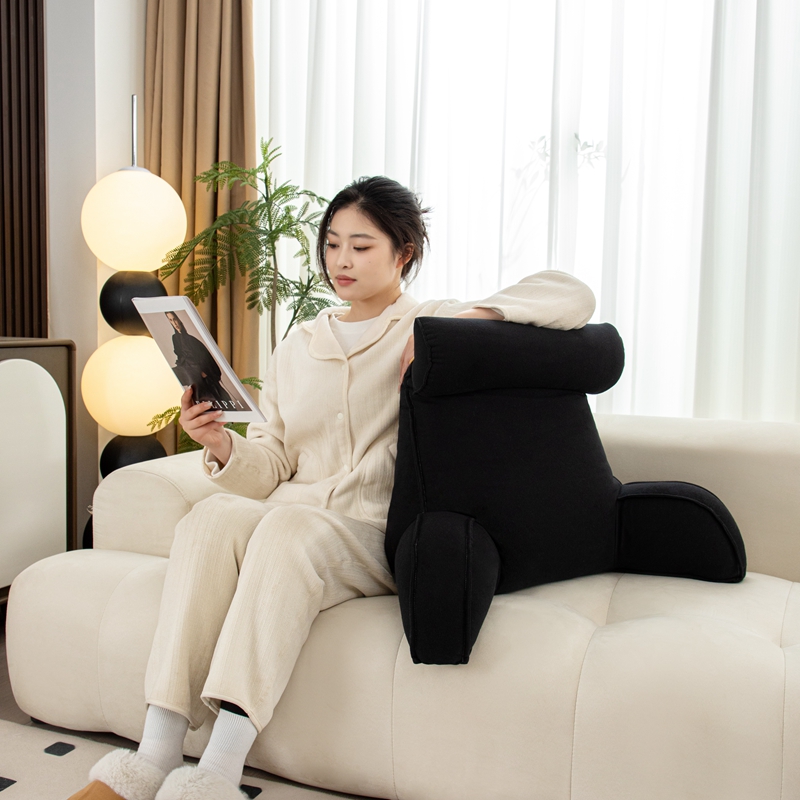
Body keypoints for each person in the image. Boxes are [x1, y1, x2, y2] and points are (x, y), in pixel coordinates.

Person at [71, 177, 595, 800]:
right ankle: (153, 756)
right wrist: (220, 444)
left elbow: (571, 295)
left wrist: (469, 322)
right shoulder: (299, 343)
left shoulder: (430, 323)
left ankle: (217, 771)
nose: (341, 261)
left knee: (289, 529)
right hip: (292, 516)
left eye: (361, 247)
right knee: (209, 518)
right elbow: (272, 461)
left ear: (403, 254)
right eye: (332, 244)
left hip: (371, 531)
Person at [166, 310, 233, 407]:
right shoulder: (175, 338)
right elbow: (180, 356)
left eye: (175, 319)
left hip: (199, 370)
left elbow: (205, 359)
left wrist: (203, 372)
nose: (174, 323)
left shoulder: (192, 340)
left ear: (179, 320)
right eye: (171, 320)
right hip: (188, 368)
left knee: (212, 394)